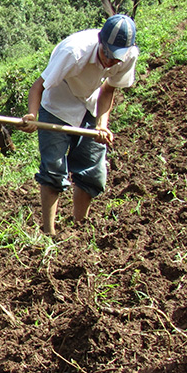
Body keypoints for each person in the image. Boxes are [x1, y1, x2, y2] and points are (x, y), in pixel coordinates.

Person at [19, 13, 139, 236]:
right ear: (100, 42)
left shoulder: (128, 56)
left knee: (92, 171)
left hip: (91, 104)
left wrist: (102, 125)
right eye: (107, 54)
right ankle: (49, 232)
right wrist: (32, 115)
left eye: (116, 59)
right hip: (57, 104)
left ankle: (79, 229)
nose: (110, 62)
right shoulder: (74, 52)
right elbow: (38, 86)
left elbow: (109, 89)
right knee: (53, 169)